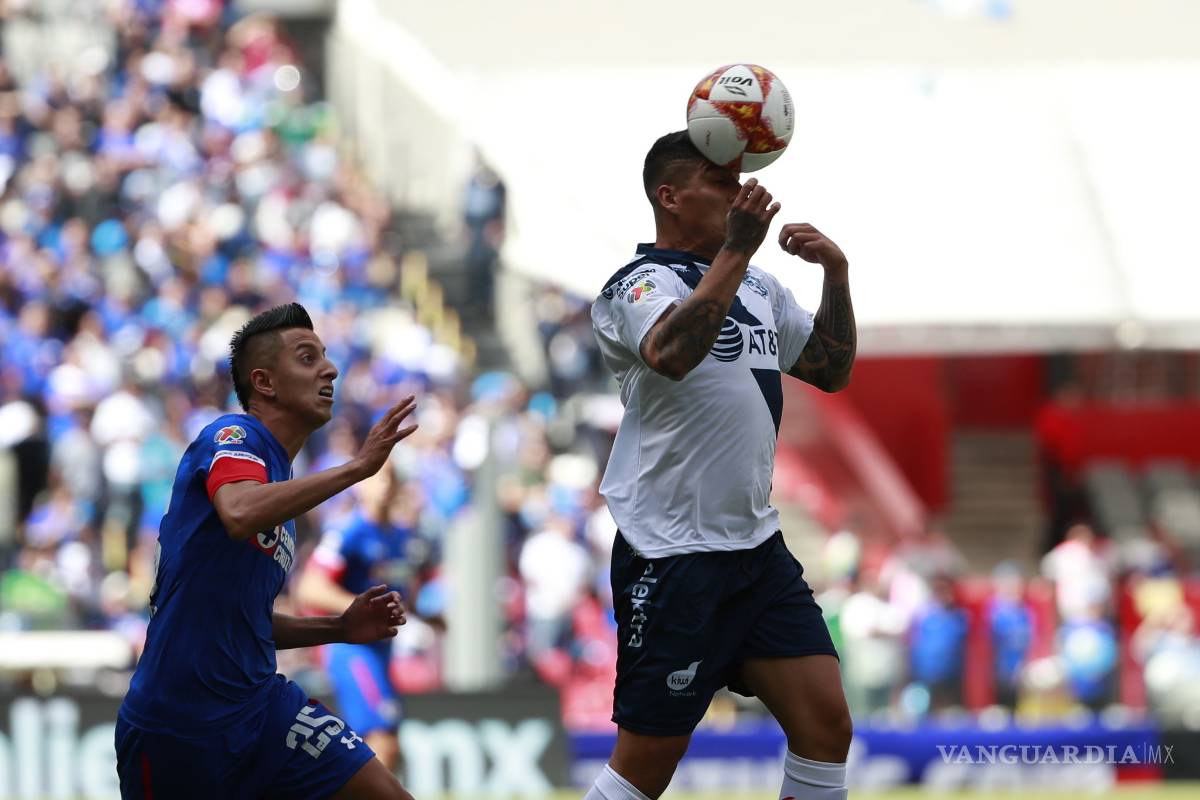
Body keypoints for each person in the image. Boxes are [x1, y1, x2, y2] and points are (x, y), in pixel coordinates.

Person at [587, 131, 858, 800]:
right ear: (668, 196)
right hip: (674, 550)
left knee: (826, 723)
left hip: (756, 548)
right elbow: (672, 354)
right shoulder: (638, 283)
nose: (741, 191)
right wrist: (737, 246)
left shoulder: (761, 286)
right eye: (719, 180)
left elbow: (830, 367)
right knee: (648, 763)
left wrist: (837, 276)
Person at [115, 303, 418, 799]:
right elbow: (237, 512)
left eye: (325, 355)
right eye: (307, 357)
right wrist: (357, 468)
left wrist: (338, 628)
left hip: (262, 710)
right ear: (265, 383)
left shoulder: (280, 486)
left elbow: (244, 619)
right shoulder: (232, 435)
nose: (330, 368)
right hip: (177, 723)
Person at [294, 466, 431, 773]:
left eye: (391, 478)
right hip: (351, 649)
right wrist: (364, 609)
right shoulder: (347, 532)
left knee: (382, 741)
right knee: (382, 738)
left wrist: (429, 617)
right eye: (377, 476)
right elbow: (309, 587)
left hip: (382, 651)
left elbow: (402, 594)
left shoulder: (403, 538)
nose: (385, 485)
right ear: (360, 486)